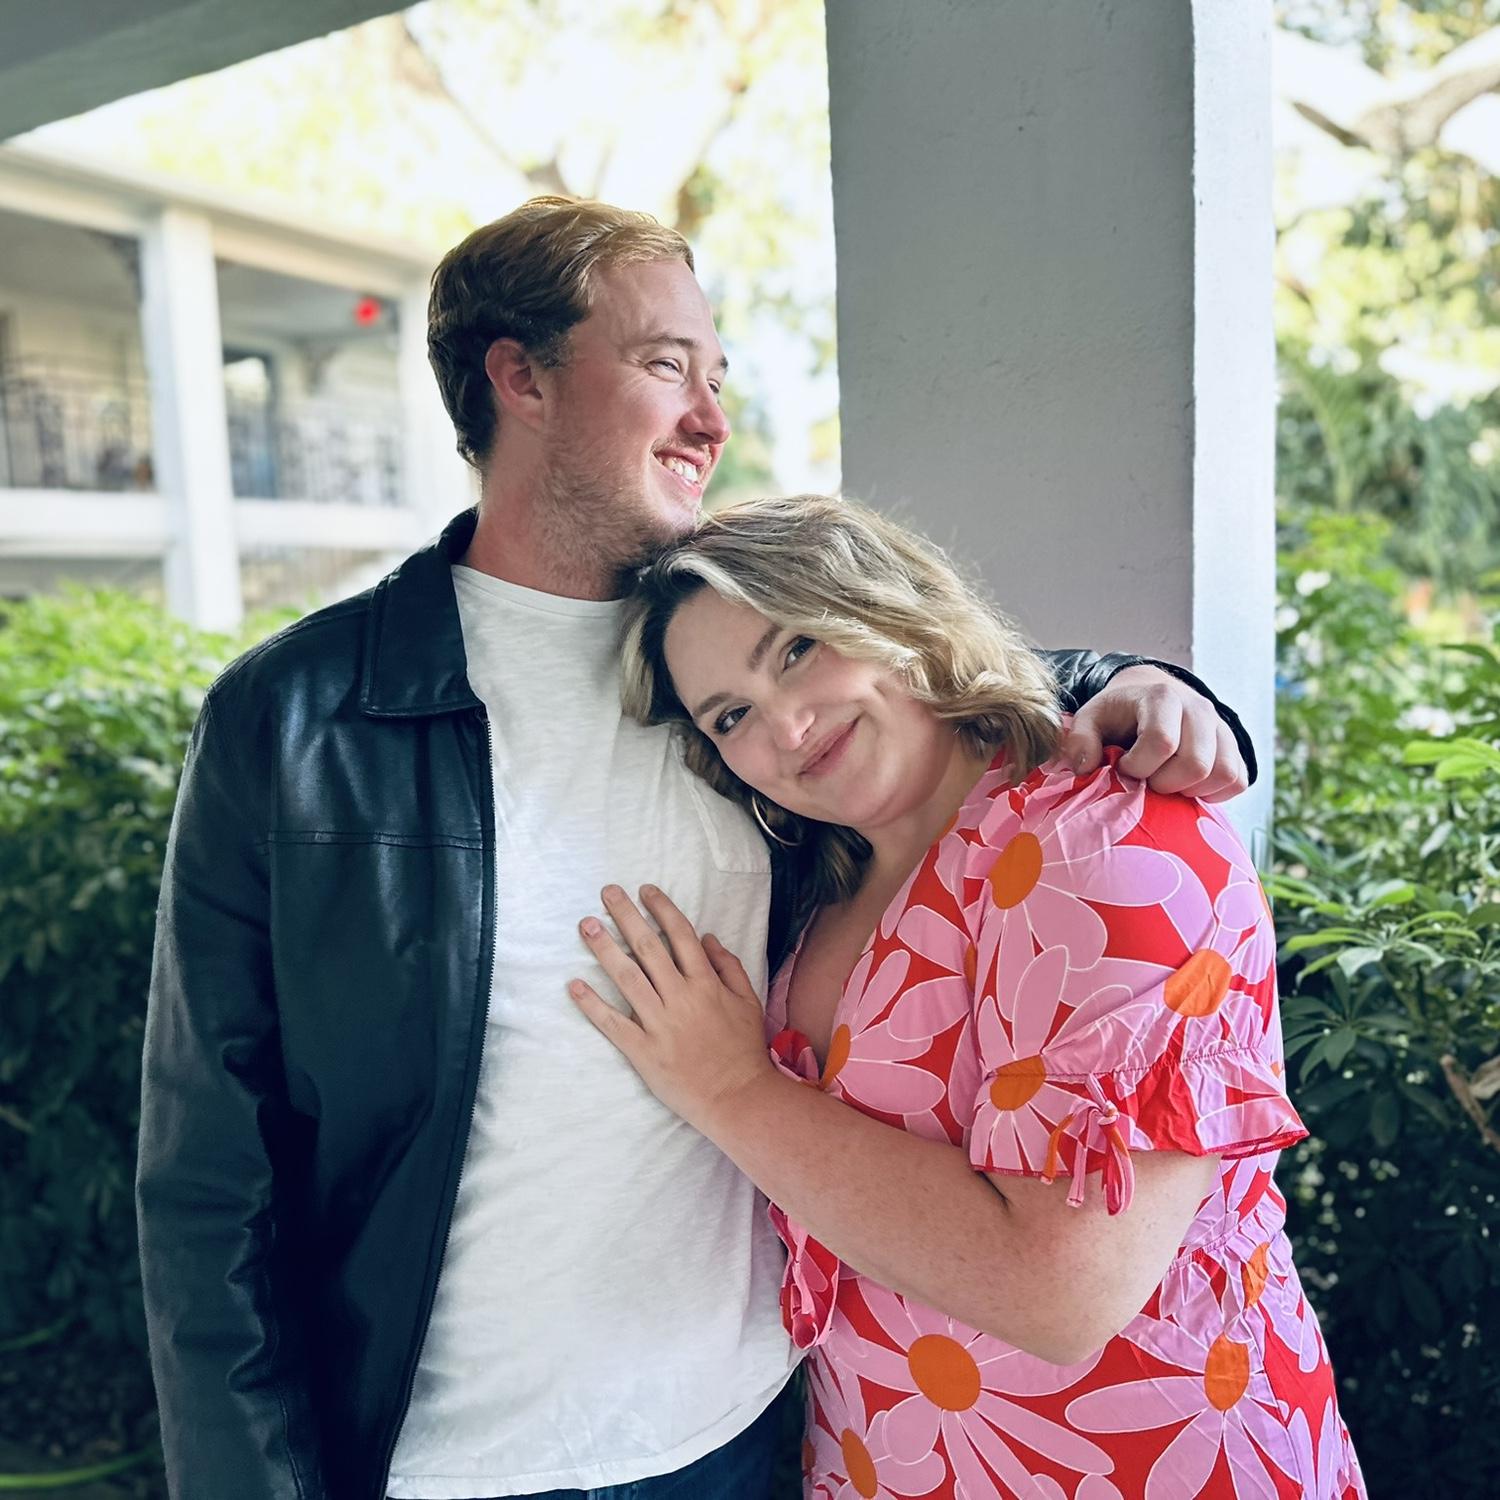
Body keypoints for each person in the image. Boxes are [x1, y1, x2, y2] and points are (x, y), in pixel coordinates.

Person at [136, 197, 1257, 1500]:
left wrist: (1137, 685)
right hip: (445, 1465)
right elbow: (212, 1183)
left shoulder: (709, 659)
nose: (713, 417)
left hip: (756, 1430)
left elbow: (913, 694)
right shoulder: (296, 721)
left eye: (716, 376)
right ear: (521, 376)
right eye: (669, 363)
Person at [569, 495, 1367, 1500]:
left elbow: (1061, 1290)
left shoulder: (1105, 837)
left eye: (799, 650)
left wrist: (734, 1090)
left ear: (889, 613)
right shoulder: (817, 889)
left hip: (1146, 1464)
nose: (786, 725)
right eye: (732, 715)